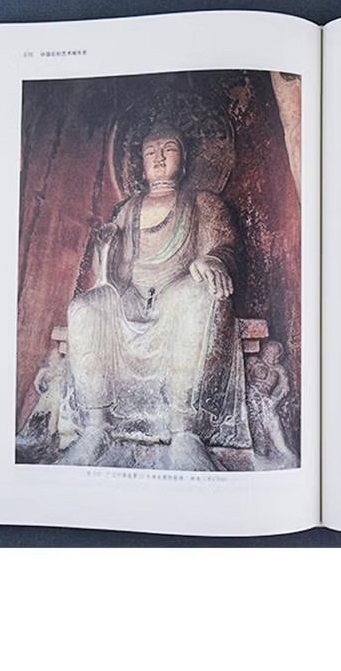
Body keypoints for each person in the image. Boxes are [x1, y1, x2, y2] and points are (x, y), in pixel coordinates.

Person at [61, 121, 249, 470]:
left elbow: (226, 247)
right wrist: (106, 251)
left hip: (177, 293)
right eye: (151, 153)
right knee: (84, 309)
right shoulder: (126, 209)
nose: (159, 159)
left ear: (185, 160)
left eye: (169, 150)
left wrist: (212, 260)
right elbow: (110, 275)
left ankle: (184, 432)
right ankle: (96, 428)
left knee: (199, 296)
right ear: (141, 164)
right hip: (130, 295)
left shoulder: (203, 204)